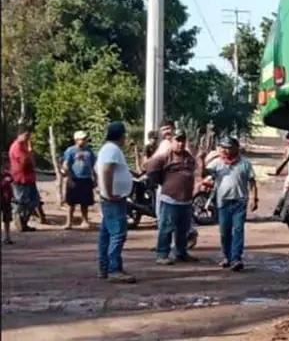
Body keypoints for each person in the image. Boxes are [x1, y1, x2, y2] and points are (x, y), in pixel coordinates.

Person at [145, 128, 199, 265]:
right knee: (166, 228)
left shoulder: (189, 157)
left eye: (182, 140)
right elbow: (150, 169)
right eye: (178, 140)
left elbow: (195, 170)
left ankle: (181, 253)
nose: (180, 144)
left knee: (183, 229)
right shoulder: (165, 157)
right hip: (170, 199)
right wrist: (162, 182)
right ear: (172, 141)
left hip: (185, 200)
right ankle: (162, 254)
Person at [204, 136, 258, 271]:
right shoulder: (217, 163)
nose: (226, 151)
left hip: (239, 201)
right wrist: (205, 159)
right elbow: (203, 173)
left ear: (236, 148)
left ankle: (236, 258)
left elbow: (252, 183)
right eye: (223, 147)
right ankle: (227, 257)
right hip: (223, 202)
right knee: (224, 231)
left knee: (238, 229)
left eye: (228, 147)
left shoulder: (245, 163)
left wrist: (254, 199)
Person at [95, 121, 136, 283]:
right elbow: (106, 170)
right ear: (121, 135)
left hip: (110, 198)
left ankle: (105, 267)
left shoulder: (106, 149)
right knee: (118, 233)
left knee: (106, 234)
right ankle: (114, 269)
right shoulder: (112, 149)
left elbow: (97, 170)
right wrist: (109, 192)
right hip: (113, 199)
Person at [8, 125, 46, 231]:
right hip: (20, 178)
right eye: (26, 135)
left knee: (34, 200)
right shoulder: (17, 146)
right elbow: (25, 161)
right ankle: (19, 223)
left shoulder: (25, 146)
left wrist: (30, 154)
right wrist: (30, 155)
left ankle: (24, 222)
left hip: (29, 178)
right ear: (20, 135)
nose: (28, 137)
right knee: (20, 201)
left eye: (29, 135)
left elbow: (32, 162)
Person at [62, 130, 97, 230]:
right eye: (82, 139)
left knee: (84, 202)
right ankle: (69, 222)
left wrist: (95, 178)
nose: (84, 141)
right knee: (71, 203)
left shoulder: (89, 151)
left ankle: (85, 221)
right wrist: (69, 178)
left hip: (86, 179)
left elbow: (93, 165)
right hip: (74, 178)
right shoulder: (70, 151)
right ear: (76, 140)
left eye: (85, 139)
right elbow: (66, 165)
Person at [2, 166, 14, 244]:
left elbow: (11, 180)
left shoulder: (6, 175)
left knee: (7, 219)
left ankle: (7, 236)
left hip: (6, 201)